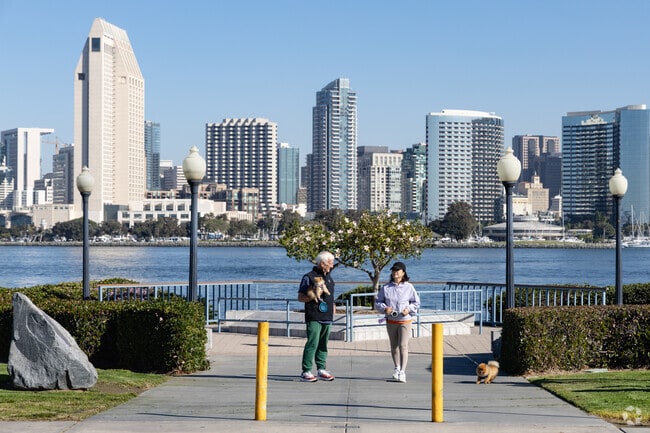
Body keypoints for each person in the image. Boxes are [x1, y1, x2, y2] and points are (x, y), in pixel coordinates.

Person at [374, 261, 420, 383]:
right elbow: (378, 302)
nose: (395, 272)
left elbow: (416, 302)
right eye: (393, 270)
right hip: (391, 321)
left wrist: (408, 309)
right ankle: (397, 368)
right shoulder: (386, 287)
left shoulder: (409, 287)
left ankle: (403, 372)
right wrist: (385, 308)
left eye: (398, 270)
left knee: (403, 345)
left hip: (405, 320)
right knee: (394, 346)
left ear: (403, 273)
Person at [297, 251, 336, 382]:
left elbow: (330, 296)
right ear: (322, 263)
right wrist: (313, 293)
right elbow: (300, 297)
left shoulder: (329, 277)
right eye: (330, 263)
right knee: (312, 343)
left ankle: (321, 368)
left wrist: (333, 307)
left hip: (327, 315)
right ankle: (306, 370)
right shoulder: (308, 277)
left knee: (323, 344)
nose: (332, 265)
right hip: (314, 315)